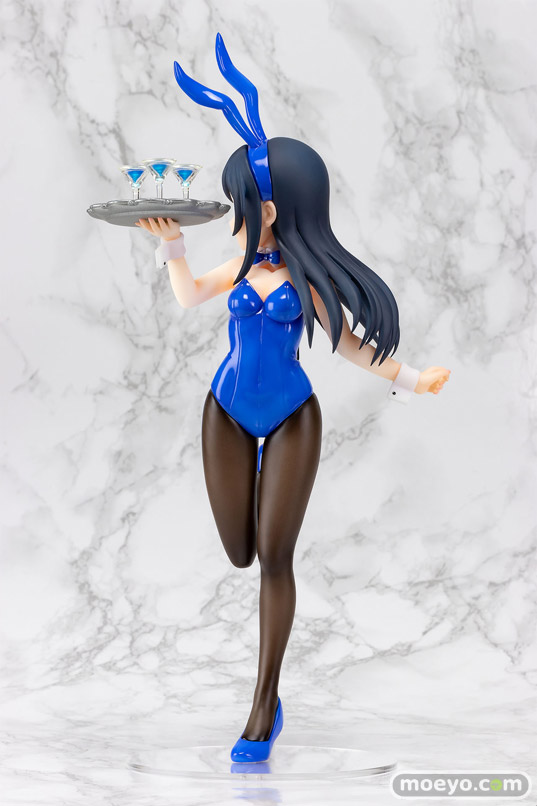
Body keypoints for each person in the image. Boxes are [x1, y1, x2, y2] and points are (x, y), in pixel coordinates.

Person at [134, 35, 450, 764]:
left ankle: (262, 707)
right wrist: (172, 245)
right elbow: (188, 296)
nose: (236, 215)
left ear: (273, 207)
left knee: (275, 560)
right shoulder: (238, 266)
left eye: (243, 202)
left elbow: (348, 345)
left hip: (291, 419)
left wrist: (411, 378)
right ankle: (263, 686)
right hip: (224, 412)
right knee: (240, 553)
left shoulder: (306, 282)